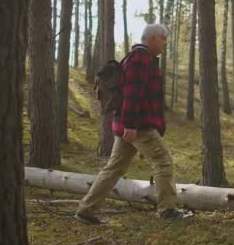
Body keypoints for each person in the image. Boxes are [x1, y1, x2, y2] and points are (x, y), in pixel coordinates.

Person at [75, 24, 188, 224]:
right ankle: (168, 211)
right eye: (163, 39)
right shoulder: (140, 58)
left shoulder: (136, 57)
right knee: (163, 162)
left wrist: (127, 124)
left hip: (130, 124)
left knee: (114, 168)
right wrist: (130, 125)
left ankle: (86, 210)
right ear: (152, 38)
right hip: (138, 125)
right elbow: (132, 94)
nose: (165, 44)